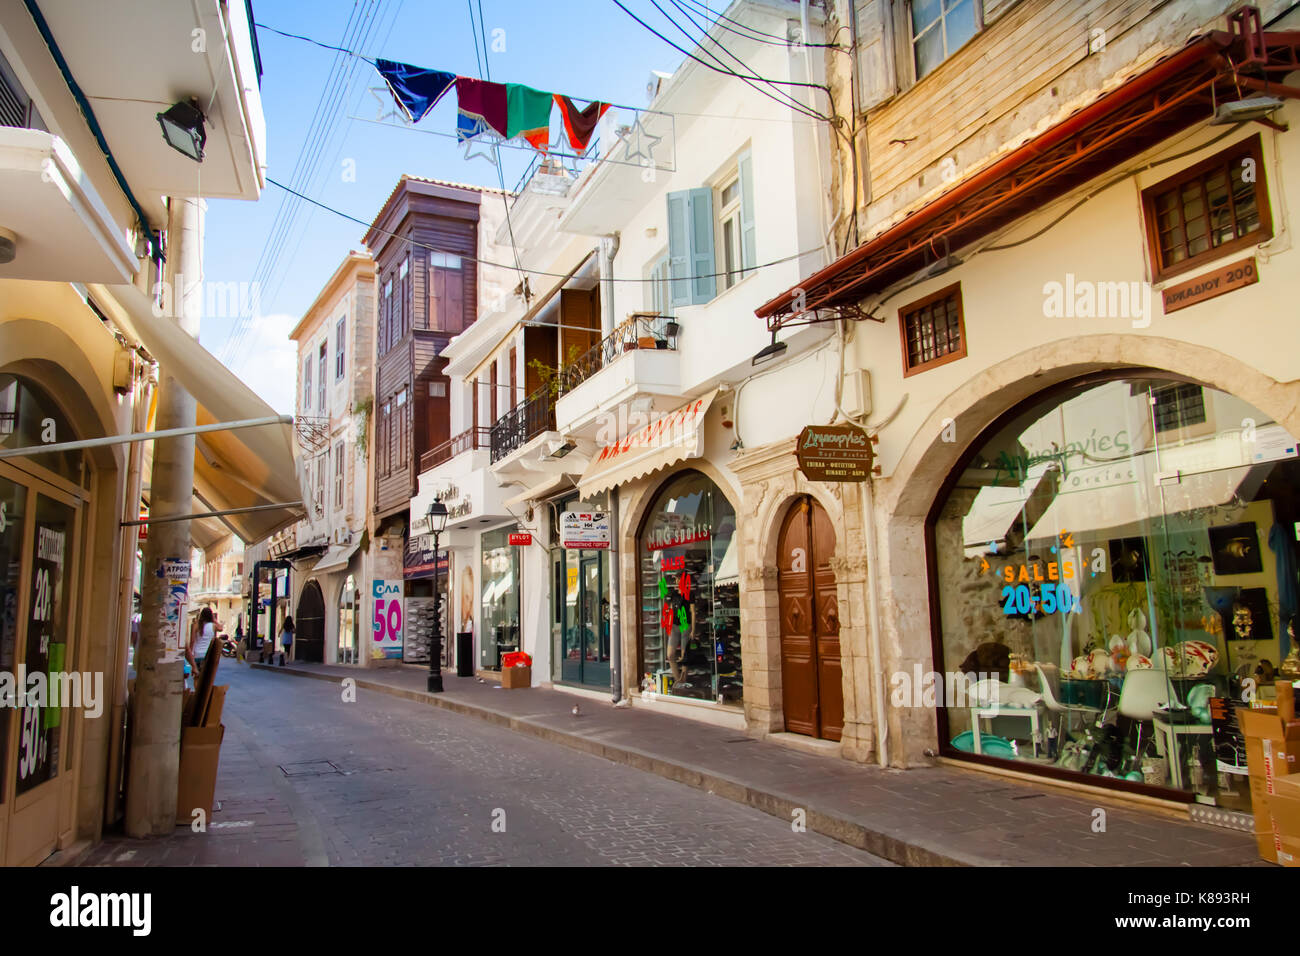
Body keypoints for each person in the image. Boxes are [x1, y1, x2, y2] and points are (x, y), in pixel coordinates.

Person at [186, 607, 217, 679]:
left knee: (197, 677)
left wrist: (191, 653)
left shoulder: (196, 625)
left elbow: (192, 641)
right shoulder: (213, 626)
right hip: (208, 655)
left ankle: (197, 689)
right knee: (206, 679)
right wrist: (214, 619)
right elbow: (221, 628)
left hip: (197, 655)